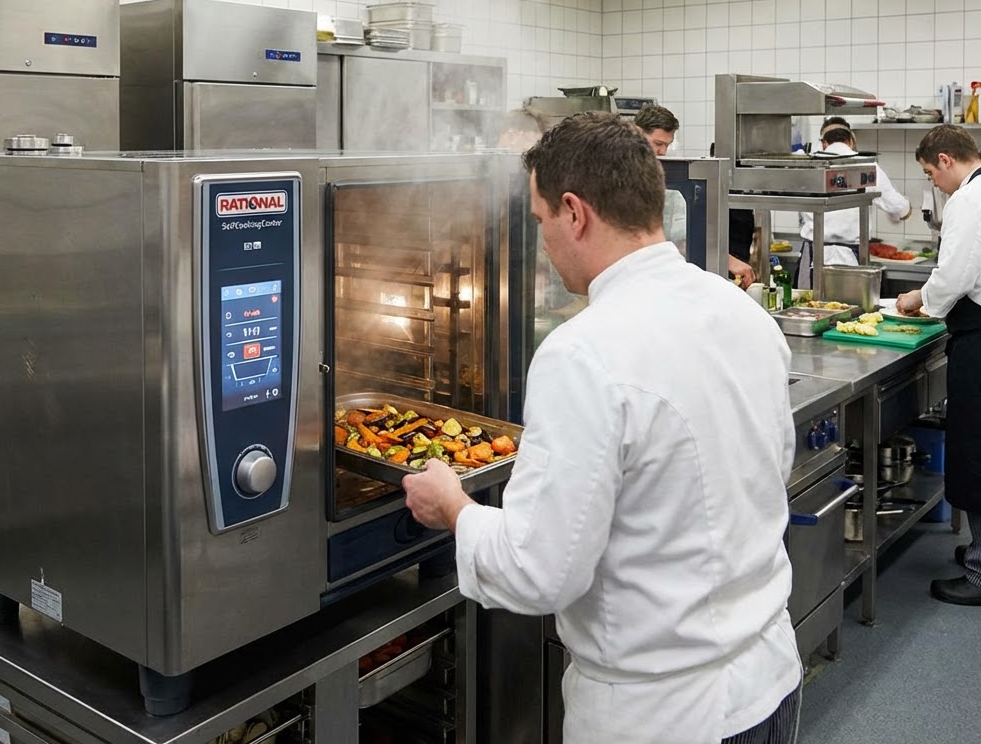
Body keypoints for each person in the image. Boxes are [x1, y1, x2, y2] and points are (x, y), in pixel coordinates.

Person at [403, 112, 802, 744]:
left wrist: (453, 508)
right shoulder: (741, 312)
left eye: (539, 223)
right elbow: (770, 473)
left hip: (659, 716)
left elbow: (538, 572)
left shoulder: (581, 354)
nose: (541, 241)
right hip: (769, 681)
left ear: (574, 212)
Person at [896, 125, 981, 605]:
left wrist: (919, 299)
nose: (934, 183)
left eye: (931, 173)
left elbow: (954, 276)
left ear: (946, 160)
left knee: (975, 451)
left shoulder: (968, 201)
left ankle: (980, 573)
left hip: (978, 335)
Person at [635, 104, 756, 288]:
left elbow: (684, 237)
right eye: (658, 144)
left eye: (666, 145)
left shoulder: (669, 185)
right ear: (636, 134)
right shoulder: (618, 180)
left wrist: (726, 260)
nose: (663, 153)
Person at [795, 118, 911, 288]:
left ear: (824, 143)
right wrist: (906, 211)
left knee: (808, 308)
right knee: (850, 309)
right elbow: (900, 209)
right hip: (851, 257)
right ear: (850, 141)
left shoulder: (807, 165)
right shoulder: (866, 165)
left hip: (813, 253)